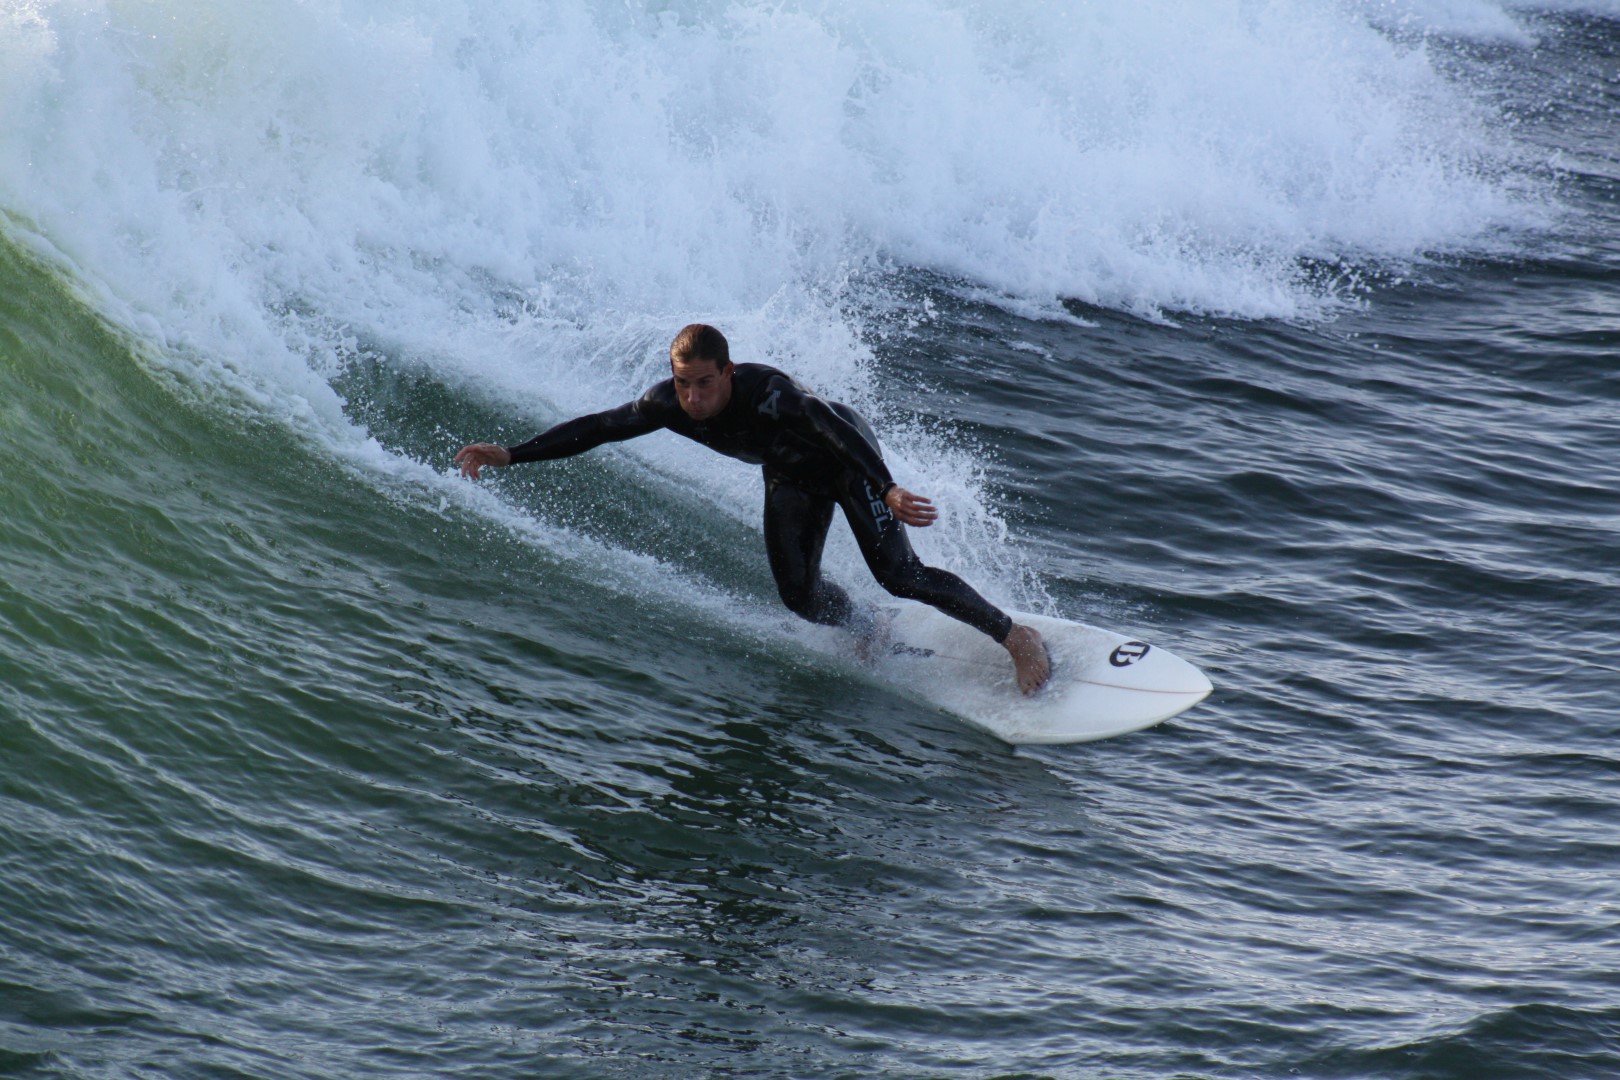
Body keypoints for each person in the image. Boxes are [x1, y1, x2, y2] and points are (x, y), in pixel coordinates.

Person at [455, 323, 1051, 694]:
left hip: (847, 459)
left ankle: (1014, 636)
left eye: (704, 383)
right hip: (791, 477)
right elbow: (600, 427)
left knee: (899, 574)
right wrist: (512, 454)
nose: (693, 397)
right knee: (799, 596)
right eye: (683, 383)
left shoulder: (770, 395)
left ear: (728, 372)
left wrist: (887, 486)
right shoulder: (668, 404)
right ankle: (869, 628)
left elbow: (830, 425)